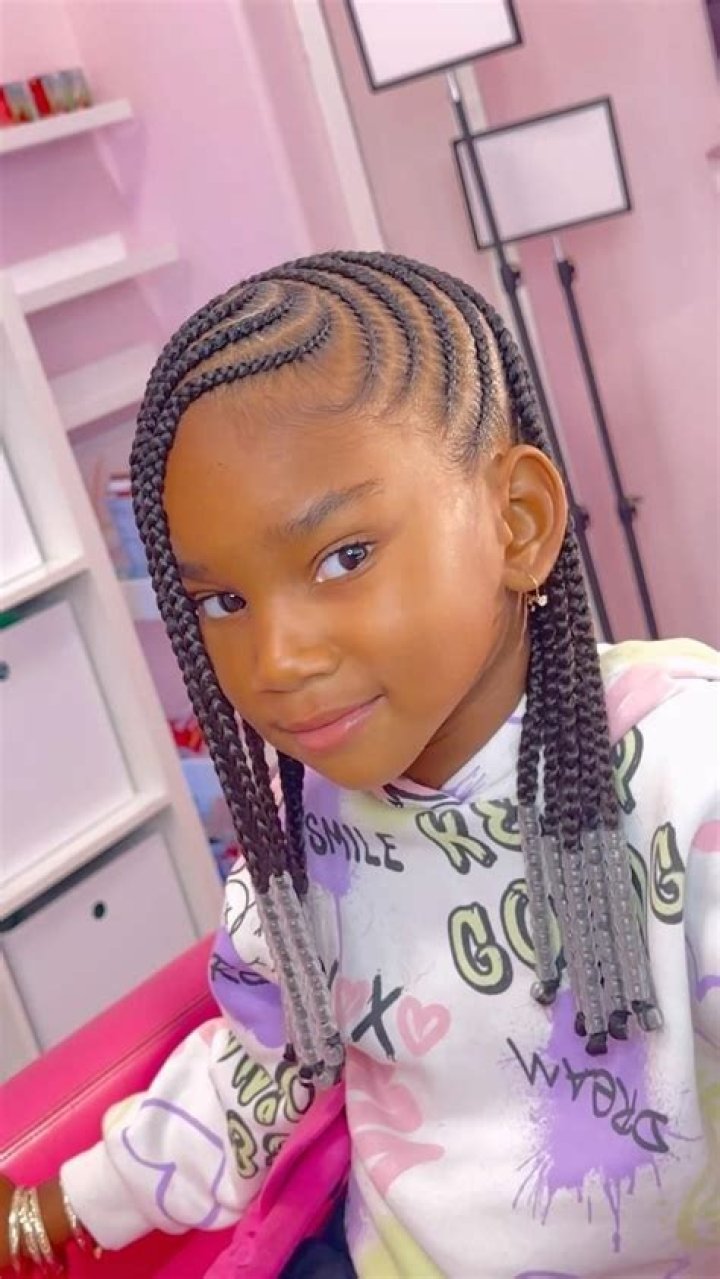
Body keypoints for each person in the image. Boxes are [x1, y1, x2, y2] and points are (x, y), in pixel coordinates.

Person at [1, 251, 718, 1278]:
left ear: (517, 521)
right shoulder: (309, 823)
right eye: (222, 601)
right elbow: (259, 1071)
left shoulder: (683, 775)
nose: (277, 660)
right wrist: (51, 1212)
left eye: (344, 557)